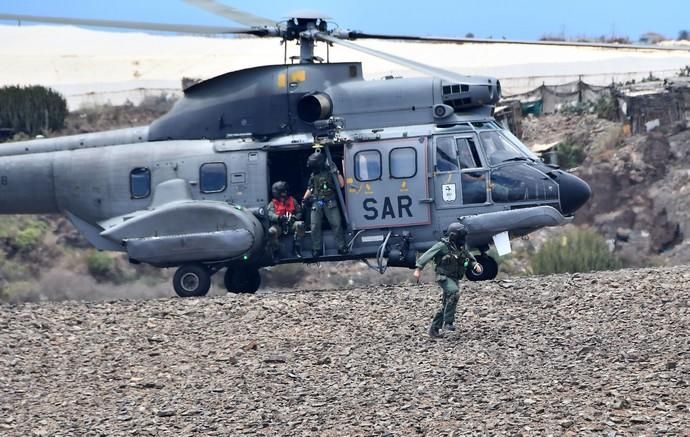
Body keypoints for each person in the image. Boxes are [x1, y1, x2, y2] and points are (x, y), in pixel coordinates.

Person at [413, 222, 483, 338]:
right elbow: (428, 255)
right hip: (443, 277)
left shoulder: (460, 247)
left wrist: (475, 265)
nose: (463, 239)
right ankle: (448, 323)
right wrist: (418, 269)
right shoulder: (442, 246)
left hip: (454, 277)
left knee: (447, 304)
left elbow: (469, 258)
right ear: (454, 236)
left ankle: (434, 329)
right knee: (454, 293)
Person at [303, 150, 347, 258]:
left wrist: (337, 172)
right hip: (317, 202)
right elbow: (310, 188)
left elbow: (341, 184)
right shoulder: (314, 175)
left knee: (336, 224)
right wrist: (304, 199)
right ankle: (316, 249)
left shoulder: (330, 172)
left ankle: (342, 247)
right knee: (314, 226)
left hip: (330, 201)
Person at [267, 181, 305, 258]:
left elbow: (299, 212)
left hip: (291, 225)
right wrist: (278, 218)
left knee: (301, 225)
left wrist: (295, 217)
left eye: (285, 191)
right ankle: (276, 251)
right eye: (283, 192)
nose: (285, 193)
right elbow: (270, 214)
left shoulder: (292, 200)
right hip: (279, 226)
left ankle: (296, 248)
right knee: (271, 232)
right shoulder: (272, 203)